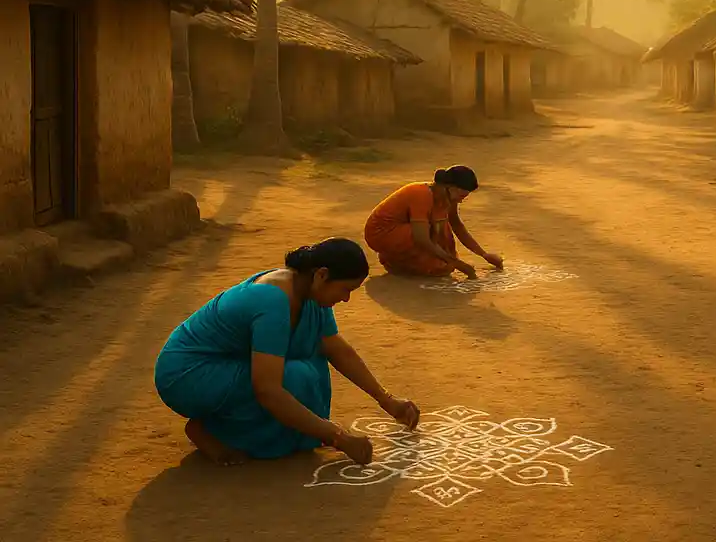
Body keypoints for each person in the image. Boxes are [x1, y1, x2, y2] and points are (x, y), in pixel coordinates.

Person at [154, 237, 420, 466]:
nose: (346, 298)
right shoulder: (272, 301)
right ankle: (212, 431)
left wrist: (387, 400)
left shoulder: (308, 291)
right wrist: (337, 436)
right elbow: (267, 389)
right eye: (346, 289)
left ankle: (245, 427)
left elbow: (336, 349)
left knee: (311, 366)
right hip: (187, 375)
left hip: (227, 366)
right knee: (294, 376)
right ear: (322, 275)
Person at [363, 164, 503, 279]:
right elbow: (421, 238)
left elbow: (457, 226)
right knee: (435, 230)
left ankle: (400, 259)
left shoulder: (448, 198)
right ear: (449, 187)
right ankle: (393, 259)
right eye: (461, 196)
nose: (460, 200)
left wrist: (484, 254)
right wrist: (458, 264)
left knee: (442, 260)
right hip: (381, 233)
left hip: (408, 232)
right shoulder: (421, 194)